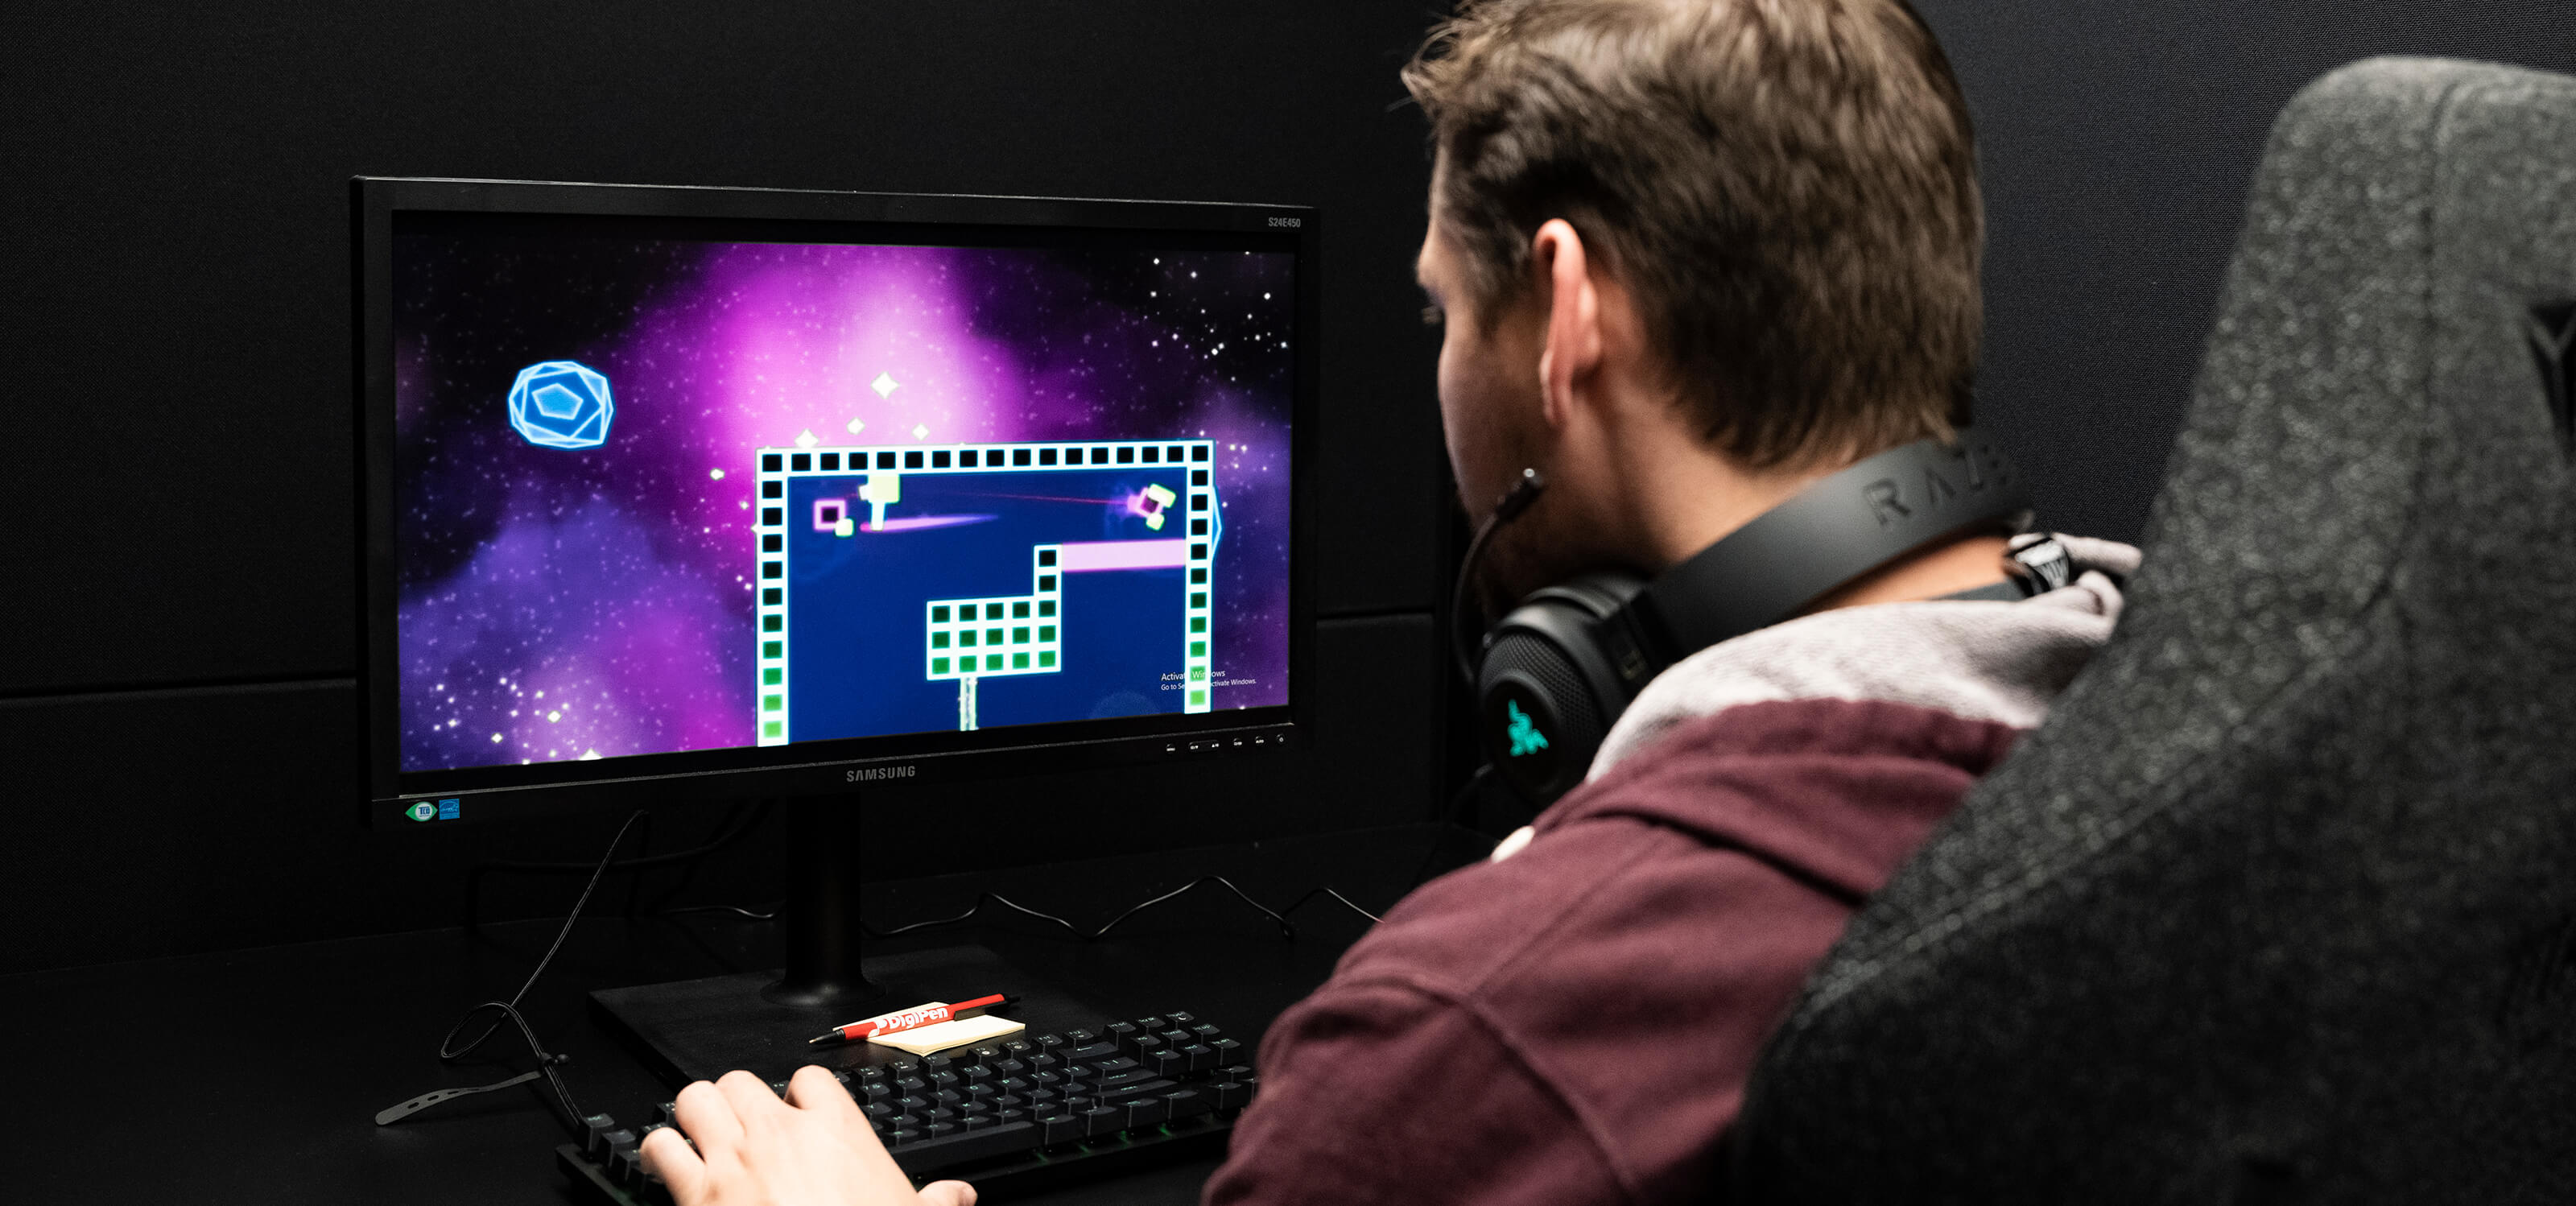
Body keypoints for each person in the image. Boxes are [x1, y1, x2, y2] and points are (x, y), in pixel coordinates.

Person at [646, 1, 2137, 1202]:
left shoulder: (1475, 1035)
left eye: (1442, 310)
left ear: (1564, 314)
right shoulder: (2223, 751)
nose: (1438, 363)